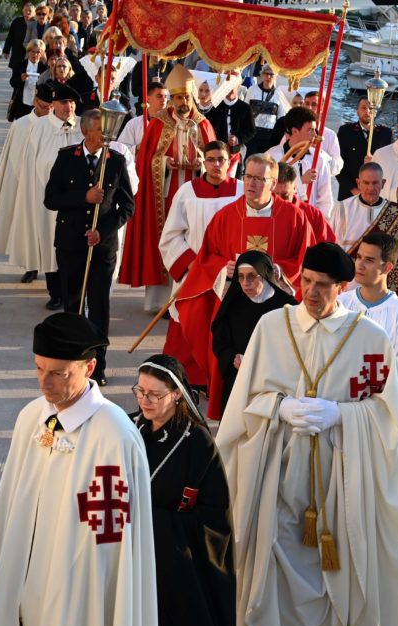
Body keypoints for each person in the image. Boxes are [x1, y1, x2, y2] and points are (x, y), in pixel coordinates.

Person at [217, 243, 398, 626]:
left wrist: (344, 415)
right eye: (306, 281)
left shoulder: (369, 338)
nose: (311, 293)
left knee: (337, 564)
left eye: (323, 285)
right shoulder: (271, 327)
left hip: (341, 475)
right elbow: (243, 400)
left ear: (343, 287)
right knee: (274, 556)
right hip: (279, 469)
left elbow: (392, 419)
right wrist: (278, 407)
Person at [0, 313, 157, 626]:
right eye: (38, 368)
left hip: (76, 591)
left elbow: (111, 546)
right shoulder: (32, 417)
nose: (44, 383)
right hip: (23, 581)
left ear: (89, 367)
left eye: (59, 374)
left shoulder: (113, 435)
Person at [170, 154, 316, 418]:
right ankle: (230, 412)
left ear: (273, 183)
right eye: (248, 177)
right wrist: (221, 269)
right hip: (235, 305)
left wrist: (278, 270)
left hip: (276, 308)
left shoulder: (294, 217)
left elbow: (306, 258)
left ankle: (277, 409)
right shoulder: (226, 217)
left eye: (260, 179)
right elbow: (207, 257)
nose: (252, 184)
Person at [128, 355, 236, 626]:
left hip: (177, 562)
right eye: (140, 391)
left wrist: (157, 524)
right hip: (129, 551)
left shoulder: (198, 443)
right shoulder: (128, 430)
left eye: (154, 394)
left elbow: (215, 516)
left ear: (176, 394)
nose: (144, 400)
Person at [44, 108, 135, 386]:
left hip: (102, 248)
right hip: (71, 244)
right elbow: (50, 198)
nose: (106, 134)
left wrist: (103, 231)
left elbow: (127, 206)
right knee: (73, 303)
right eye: (100, 128)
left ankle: (98, 365)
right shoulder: (66, 158)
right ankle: (71, 360)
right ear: (85, 131)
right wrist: (83, 196)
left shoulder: (116, 161)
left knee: (99, 306)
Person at [121, 64, 218, 312]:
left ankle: (190, 297)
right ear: (171, 100)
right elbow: (146, 160)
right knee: (164, 240)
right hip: (164, 194)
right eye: (178, 98)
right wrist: (165, 162)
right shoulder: (158, 124)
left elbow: (217, 160)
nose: (183, 102)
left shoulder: (203, 124)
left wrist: (201, 164)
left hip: (196, 195)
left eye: (186, 97)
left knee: (193, 241)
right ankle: (160, 301)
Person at [159, 141, 244, 387]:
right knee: (189, 324)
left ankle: (219, 379)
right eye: (211, 160)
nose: (217, 165)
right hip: (194, 273)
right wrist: (192, 265)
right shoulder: (188, 192)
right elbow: (171, 235)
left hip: (231, 274)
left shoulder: (241, 191)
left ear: (230, 162)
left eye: (222, 160)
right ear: (203, 162)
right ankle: (185, 378)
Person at [9, 82, 84, 308]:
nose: (68, 107)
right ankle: (56, 293)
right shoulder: (39, 128)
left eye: (71, 102)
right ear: (53, 105)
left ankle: (74, 294)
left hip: (78, 200)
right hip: (49, 197)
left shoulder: (83, 125)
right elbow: (29, 164)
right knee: (50, 244)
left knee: (74, 247)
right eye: (63, 102)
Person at [0, 82, 53, 266]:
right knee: (26, 227)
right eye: (43, 107)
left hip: (50, 183)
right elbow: (13, 157)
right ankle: (30, 265)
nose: (48, 111)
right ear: (35, 102)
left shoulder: (56, 125)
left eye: (51, 107)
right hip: (25, 183)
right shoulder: (21, 125)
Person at [210, 251, 296, 415]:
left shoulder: (286, 306)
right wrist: (231, 357)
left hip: (273, 384)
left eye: (252, 276)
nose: (245, 283)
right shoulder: (233, 304)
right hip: (238, 380)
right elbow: (220, 339)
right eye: (240, 277)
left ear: (264, 275)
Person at [336, 231, 398, 382]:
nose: (359, 265)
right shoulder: (340, 304)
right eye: (359, 257)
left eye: (369, 260)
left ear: (387, 268)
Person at [330, 162, 398, 296]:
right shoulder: (343, 208)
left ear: (383, 183)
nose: (370, 188)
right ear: (358, 183)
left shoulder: (395, 211)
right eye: (366, 183)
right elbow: (333, 245)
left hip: (381, 282)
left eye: (375, 183)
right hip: (349, 283)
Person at [265, 106, 335, 216]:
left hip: (308, 220)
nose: (315, 135)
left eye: (315, 130)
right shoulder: (271, 157)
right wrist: (300, 181)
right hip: (278, 218)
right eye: (310, 130)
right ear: (295, 131)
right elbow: (267, 191)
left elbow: (325, 200)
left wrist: (317, 222)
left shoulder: (319, 159)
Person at [335, 97, 393, 199]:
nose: (367, 111)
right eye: (363, 108)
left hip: (377, 194)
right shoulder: (346, 131)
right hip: (350, 194)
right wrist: (354, 190)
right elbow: (338, 164)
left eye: (371, 108)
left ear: (375, 112)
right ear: (357, 111)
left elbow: (392, 163)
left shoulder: (386, 133)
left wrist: (376, 161)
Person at [272, 161, 335, 243]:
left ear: (295, 187)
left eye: (285, 196)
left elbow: (328, 248)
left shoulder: (312, 215)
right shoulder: (258, 212)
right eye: (275, 196)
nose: (280, 202)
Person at [243, 63, 290, 157]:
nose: (268, 76)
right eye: (266, 73)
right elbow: (245, 111)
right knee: (250, 160)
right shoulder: (252, 90)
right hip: (253, 134)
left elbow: (281, 117)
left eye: (271, 74)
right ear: (262, 74)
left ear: (276, 76)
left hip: (270, 136)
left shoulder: (279, 94)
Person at [207, 84, 256, 172]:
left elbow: (251, 130)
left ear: (238, 88)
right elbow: (209, 128)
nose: (229, 90)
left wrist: (238, 138)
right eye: (227, 87)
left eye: (232, 87)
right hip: (216, 151)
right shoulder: (215, 106)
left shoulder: (245, 108)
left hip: (235, 153)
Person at [118, 82, 170, 153]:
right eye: (159, 96)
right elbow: (120, 149)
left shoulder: (171, 124)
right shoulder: (134, 124)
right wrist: (137, 148)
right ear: (148, 98)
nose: (164, 100)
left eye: (165, 96)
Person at [8, 39, 48, 122]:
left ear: (41, 54)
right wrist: (21, 79)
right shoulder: (20, 65)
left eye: (38, 52)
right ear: (28, 52)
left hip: (38, 106)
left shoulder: (44, 68)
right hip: (22, 103)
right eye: (32, 52)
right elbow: (12, 82)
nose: (35, 54)